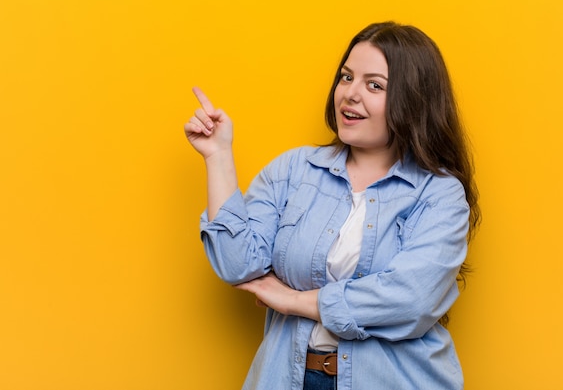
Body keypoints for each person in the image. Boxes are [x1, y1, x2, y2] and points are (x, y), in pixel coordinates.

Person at [184, 21, 480, 390]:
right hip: (287, 377)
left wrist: (294, 301)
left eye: (374, 85)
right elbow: (237, 264)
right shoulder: (294, 170)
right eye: (346, 77)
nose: (350, 94)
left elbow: (410, 299)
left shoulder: (438, 194)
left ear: (413, 100)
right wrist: (218, 157)